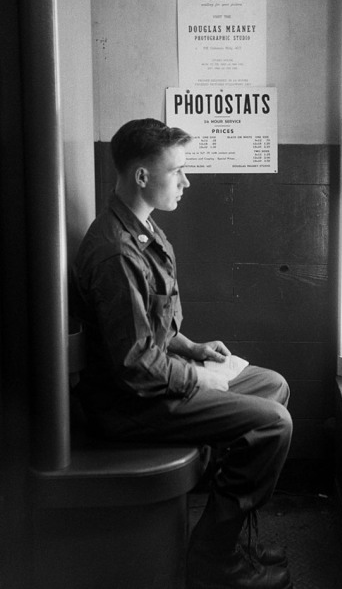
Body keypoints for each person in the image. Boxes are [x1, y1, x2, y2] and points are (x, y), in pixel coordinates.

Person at [69, 118, 293, 589]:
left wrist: (192, 348)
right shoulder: (117, 253)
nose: (186, 182)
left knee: (274, 385)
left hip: (151, 384)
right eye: (178, 171)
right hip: (130, 406)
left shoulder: (144, 231)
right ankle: (214, 560)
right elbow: (133, 364)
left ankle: (228, 537)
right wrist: (198, 378)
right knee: (272, 423)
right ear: (142, 176)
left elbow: (152, 328)